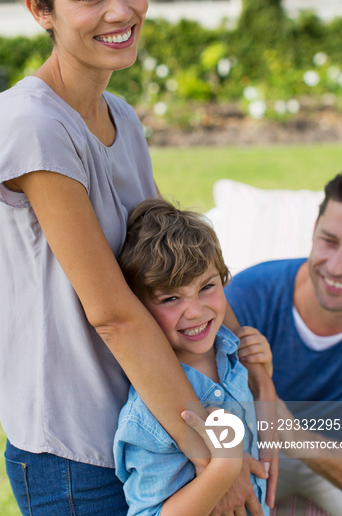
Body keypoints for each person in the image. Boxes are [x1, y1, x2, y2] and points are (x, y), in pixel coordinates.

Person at [0, 0, 274, 515]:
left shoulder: (123, 120)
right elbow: (111, 312)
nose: (121, 10)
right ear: (40, 9)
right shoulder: (31, 123)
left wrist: (239, 391)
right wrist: (219, 457)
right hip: (77, 455)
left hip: (155, 422)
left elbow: (177, 275)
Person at [225, 167, 342, 516]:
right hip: (248, 444)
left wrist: (293, 435)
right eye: (329, 241)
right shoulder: (250, 295)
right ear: (313, 231)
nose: (336, 267)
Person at [114, 198, 270, 516]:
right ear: (140, 309)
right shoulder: (149, 412)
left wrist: (263, 370)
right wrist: (223, 469)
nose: (196, 312)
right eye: (171, 298)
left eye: (206, 287)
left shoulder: (234, 358)